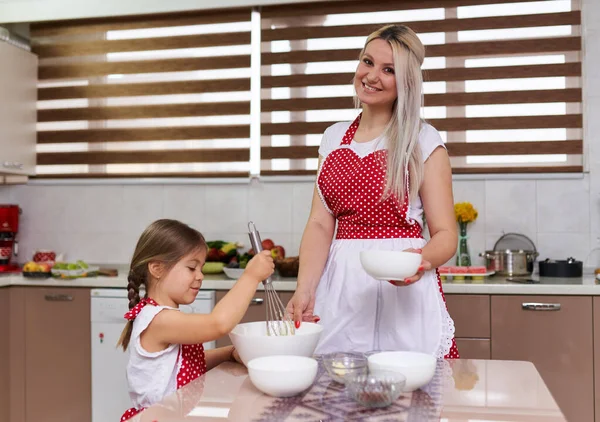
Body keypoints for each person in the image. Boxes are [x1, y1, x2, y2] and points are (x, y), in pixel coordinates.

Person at [286, 24, 459, 359]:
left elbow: (445, 235)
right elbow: (321, 225)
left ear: (406, 81)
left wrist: (419, 261)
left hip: (403, 292)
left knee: (409, 397)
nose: (372, 76)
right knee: (336, 393)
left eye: (389, 70)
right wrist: (304, 289)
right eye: (367, 62)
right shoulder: (333, 138)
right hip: (340, 288)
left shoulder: (423, 140)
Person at [118, 219, 274, 421]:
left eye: (201, 268)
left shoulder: (163, 317)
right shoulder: (159, 320)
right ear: (156, 268)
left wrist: (227, 353)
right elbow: (218, 324)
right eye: (192, 268)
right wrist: (251, 277)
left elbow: (184, 362)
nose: (200, 276)